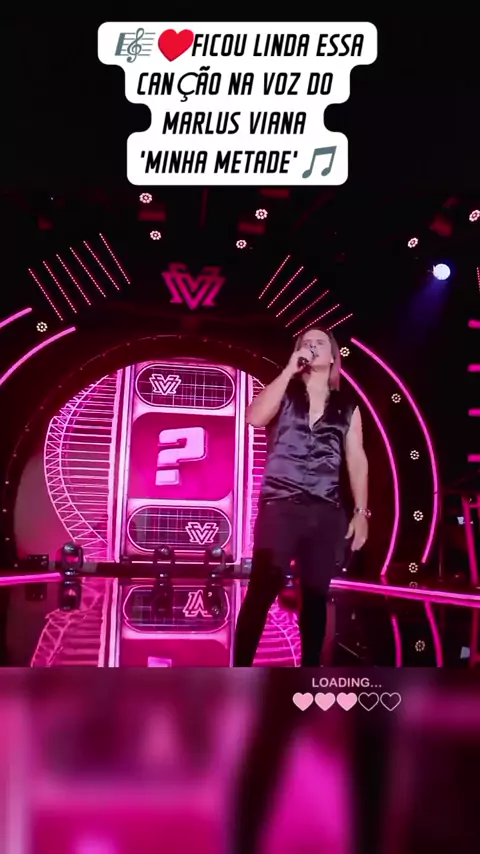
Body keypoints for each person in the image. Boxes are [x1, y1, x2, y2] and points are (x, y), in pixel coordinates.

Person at [233, 326, 370, 667]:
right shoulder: (286, 391)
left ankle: (308, 676)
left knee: (315, 597)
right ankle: (238, 673)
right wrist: (287, 371)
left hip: (326, 511)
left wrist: (361, 513)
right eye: (306, 343)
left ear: (333, 356)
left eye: (319, 342)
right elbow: (255, 417)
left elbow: (357, 459)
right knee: (261, 593)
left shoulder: (347, 406)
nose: (312, 346)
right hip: (280, 507)